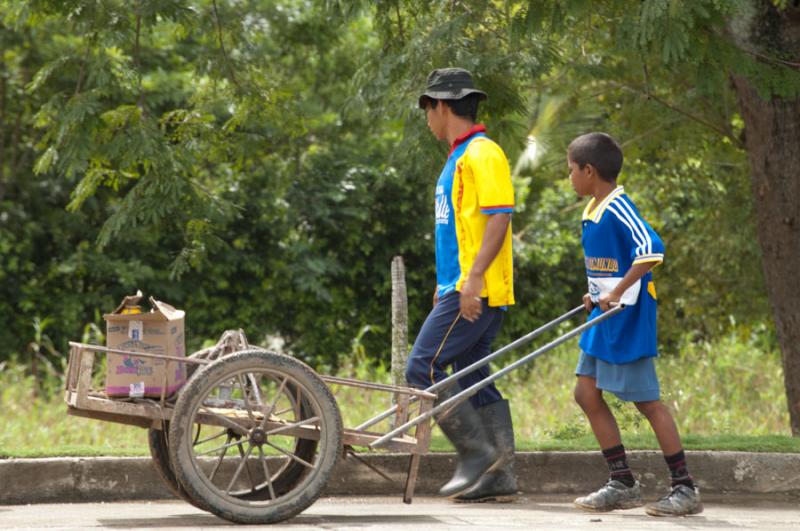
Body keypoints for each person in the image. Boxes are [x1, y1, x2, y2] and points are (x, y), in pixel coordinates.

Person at [567, 132, 703, 517]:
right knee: (586, 393)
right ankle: (622, 481)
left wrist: (618, 291)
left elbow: (651, 249)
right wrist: (595, 293)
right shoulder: (593, 209)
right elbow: (607, 264)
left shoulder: (618, 207)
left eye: (571, 171)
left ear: (589, 171)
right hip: (604, 317)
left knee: (647, 401)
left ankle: (685, 487)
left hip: (627, 319)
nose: (570, 178)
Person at [404, 67, 517, 502]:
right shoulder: (459, 157)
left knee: (422, 369)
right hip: (462, 285)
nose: (427, 119)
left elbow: (499, 216)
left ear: (443, 105)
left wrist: (470, 282)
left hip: (476, 290)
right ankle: (499, 474)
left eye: (428, 109)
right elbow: (458, 230)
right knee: (474, 377)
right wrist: (446, 280)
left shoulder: (482, 153)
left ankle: (475, 454)